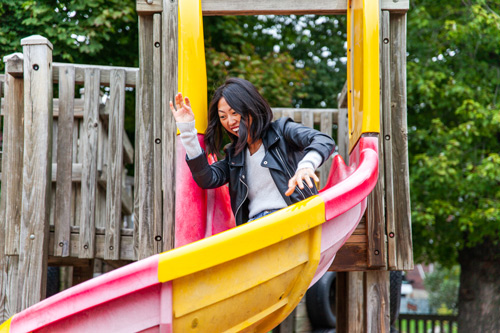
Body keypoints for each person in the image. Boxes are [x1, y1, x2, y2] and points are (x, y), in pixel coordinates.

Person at [170, 77, 335, 226]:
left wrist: (306, 165)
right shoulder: (235, 156)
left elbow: (323, 140)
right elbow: (207, 178)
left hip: (292, 218)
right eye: (223, 117)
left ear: (251, 107)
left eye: (234, 112)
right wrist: (187, 132)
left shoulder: (281, 131)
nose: (230, 121)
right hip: (255, 227)